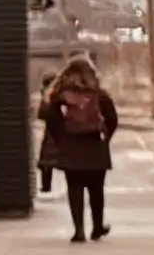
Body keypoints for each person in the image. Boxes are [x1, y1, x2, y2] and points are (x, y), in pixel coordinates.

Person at [40, 57, 121, 239]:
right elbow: (112, 119)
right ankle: (97, 227)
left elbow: (50, 117)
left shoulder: (62, 94)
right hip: (95, 146)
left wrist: (63, 137)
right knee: (96, 189)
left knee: (74, 188)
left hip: (72, 146)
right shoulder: (99, 94)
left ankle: (79, 230)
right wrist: (105, 137)